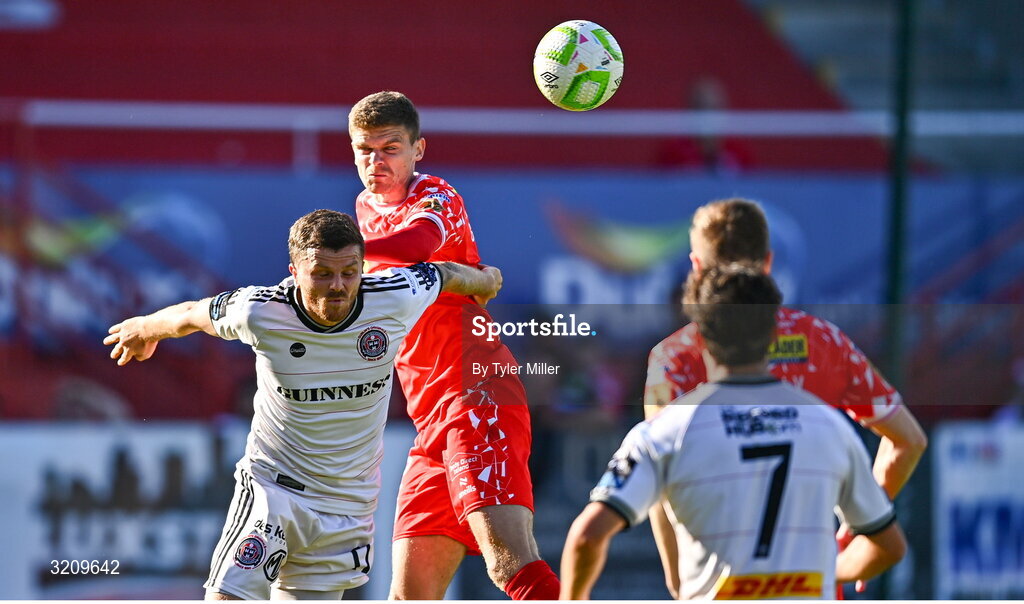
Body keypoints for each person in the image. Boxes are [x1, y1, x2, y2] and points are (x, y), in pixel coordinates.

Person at [103, 209, 502, 600]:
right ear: (295, 272)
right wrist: (143, 328)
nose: (339, 286)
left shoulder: (394, 296)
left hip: (347, 505)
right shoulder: (260, 311)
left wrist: (482, 281)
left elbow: (444, 274)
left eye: (350, 272)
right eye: (322, 274)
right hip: (274, 491)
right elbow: (191, 314)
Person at [560, 265, 907, 600]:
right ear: (774, 333)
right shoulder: (829, 427)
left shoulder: (664, 431)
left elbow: (587, 537)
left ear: (698, 336)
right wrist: (828, 572)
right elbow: (889, 546)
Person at [644, 198, 927, 597]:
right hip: (809, 583)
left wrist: (677, 581)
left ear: (696, 268)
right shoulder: (824, 341)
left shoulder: (674, 359)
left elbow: (660, 481)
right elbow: (909, 440)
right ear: (769, 262)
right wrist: (857, 528)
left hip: (720, 585)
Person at [346, 91, 560, 600]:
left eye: (390, 147)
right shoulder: (362, 208)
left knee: (510, 566)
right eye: (364, 150)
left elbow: (414, 246)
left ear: (419, 149)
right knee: (408, 595)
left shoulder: (436, 195)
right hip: (430, 421)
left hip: (475, 395)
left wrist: (333, 254)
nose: (377, 161)